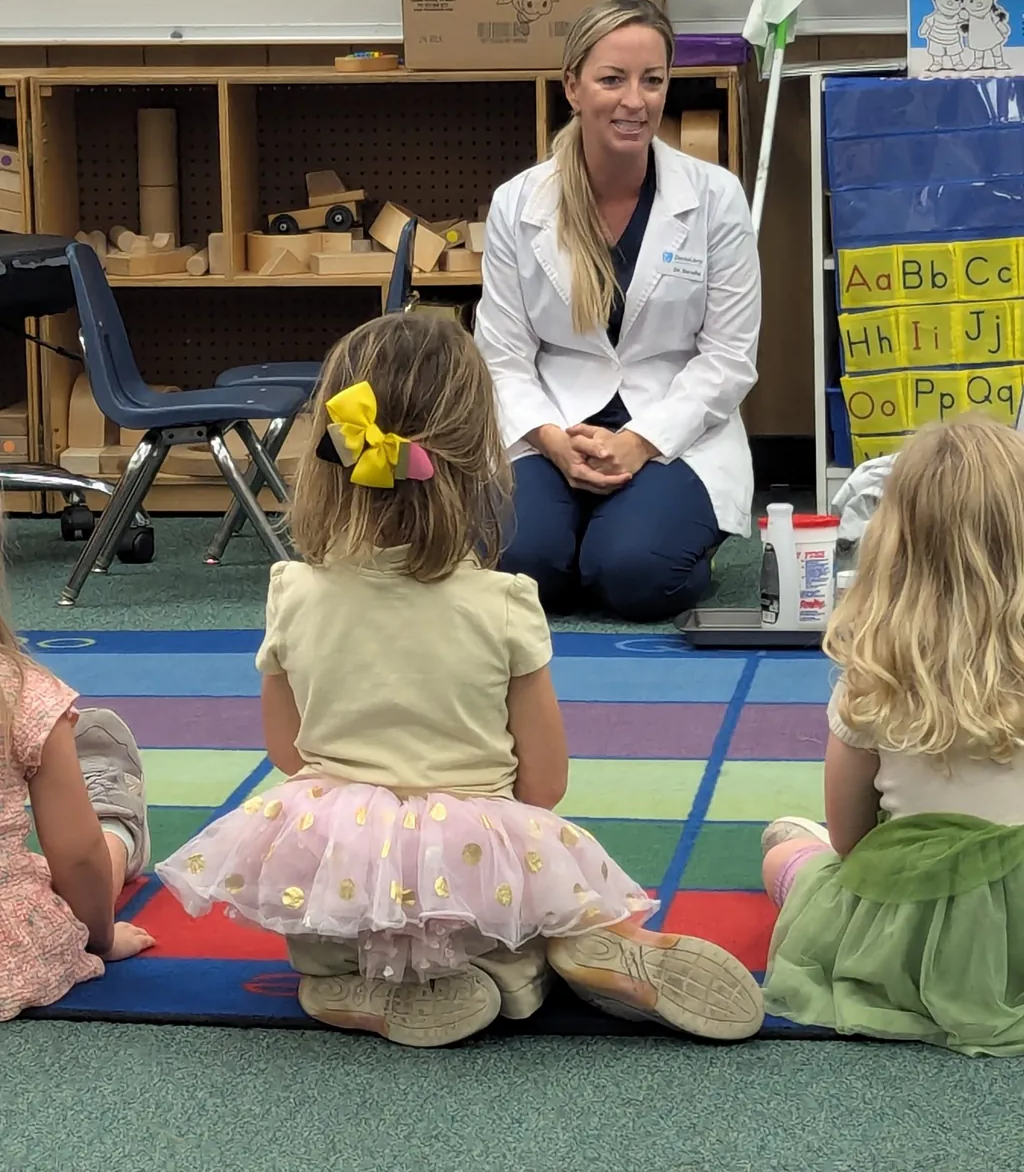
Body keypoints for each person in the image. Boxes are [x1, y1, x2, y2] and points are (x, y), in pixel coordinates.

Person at [157, 312, 763, 1048]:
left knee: (317, 937)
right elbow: (544, 783)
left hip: (342, 857)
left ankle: (356, 984)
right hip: (472, 864)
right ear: (481, 457)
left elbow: (288, 751)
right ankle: (540, 957)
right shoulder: (502, 603)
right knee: (519, 898)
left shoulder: (294, 592)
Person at [475, 0, 761, 623]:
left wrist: (638, 442)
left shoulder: (715, 198)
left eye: (652, 81)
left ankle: (630, 541)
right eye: (613, 79)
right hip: (552, 426)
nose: (636, 101)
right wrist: (552, 441)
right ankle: (582, 539)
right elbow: (501, 355)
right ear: (572, 86)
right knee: (522, 571)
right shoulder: (517, 204)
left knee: (637, 578)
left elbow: (730, 359)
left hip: (673, 428)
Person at [761, 417, 1024, 1055]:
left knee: (787, 850)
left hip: (914, 934)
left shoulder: (873, 675)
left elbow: (851, 840)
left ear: (893, 540)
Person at [0, 546, 154, 1021]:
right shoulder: (18, 690)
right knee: (81, 856)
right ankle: (117, 827)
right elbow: (78, 858)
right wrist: (99, 939)